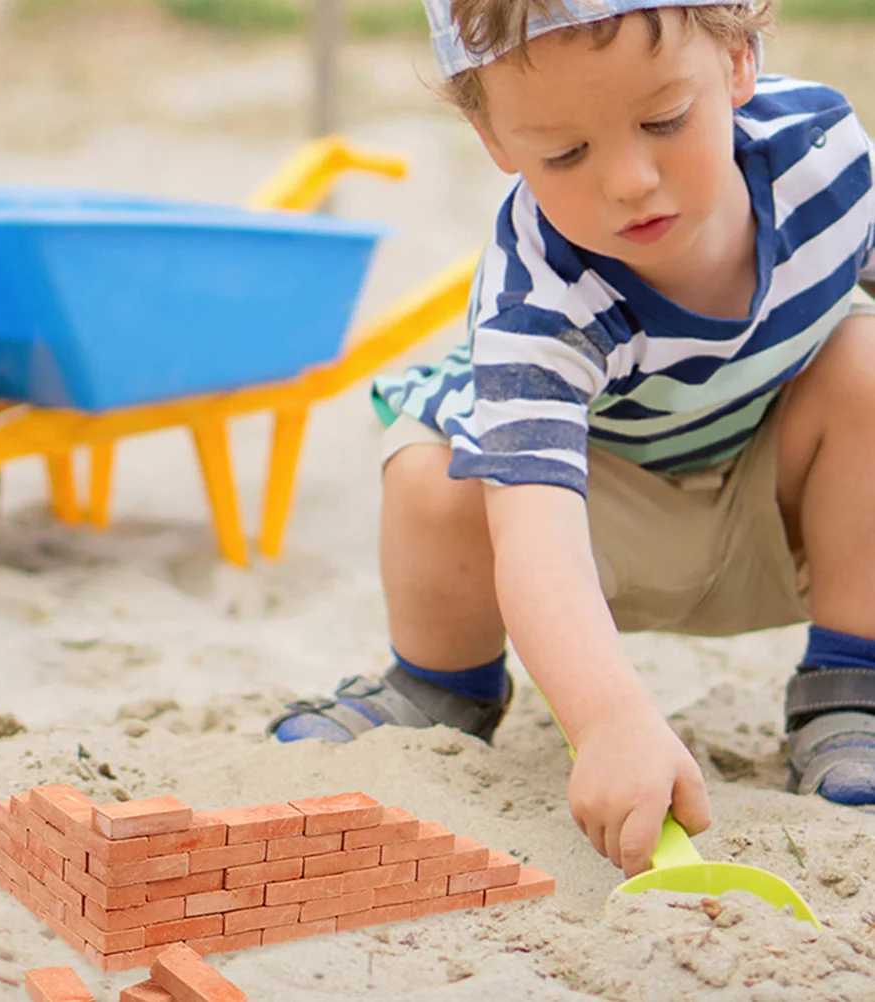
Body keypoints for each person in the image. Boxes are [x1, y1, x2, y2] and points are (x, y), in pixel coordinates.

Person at [267, 0, 875, 878]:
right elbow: (538, 537)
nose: (629, 180)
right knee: (436, 467)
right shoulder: (541, 292)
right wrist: (608, 721)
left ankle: (852, 682)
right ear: (497, 142)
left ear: (739, 62)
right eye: (565, 153)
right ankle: (443, 683)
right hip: (593, 540)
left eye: (664, 120)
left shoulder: (824, 158)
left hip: (781, 512)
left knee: (865, 355)